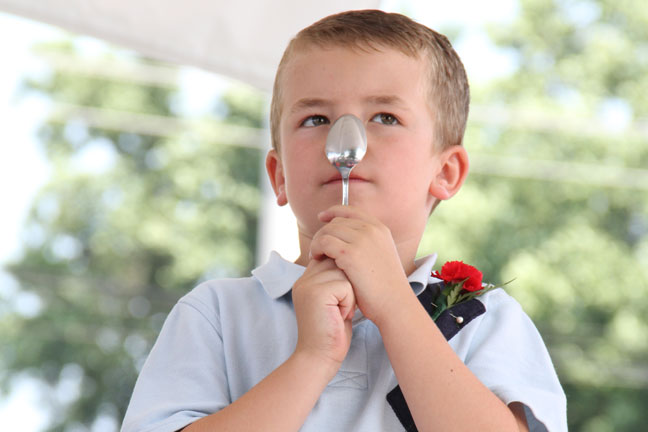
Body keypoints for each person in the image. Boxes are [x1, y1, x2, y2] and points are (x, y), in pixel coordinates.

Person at [121, 9, 567, 432]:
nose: (345, 138)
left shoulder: (486, 321)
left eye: (385, 117)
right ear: (279, 176)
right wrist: (313, 357)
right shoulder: (217, 315)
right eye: (315, 118)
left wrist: (394, 305)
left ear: (445, 173)